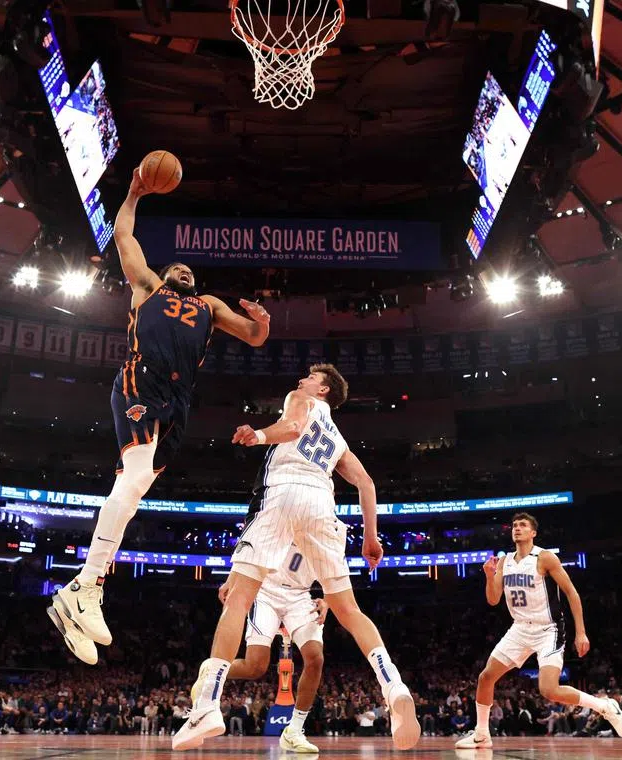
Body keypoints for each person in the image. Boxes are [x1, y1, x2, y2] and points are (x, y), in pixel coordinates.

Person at [49, 166, 272, 666]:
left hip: (178, 405)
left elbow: (255, 339)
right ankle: (84, 588)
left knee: (131, 493)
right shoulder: (148, 285)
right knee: (130, 484)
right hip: (140, 383)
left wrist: (262, 323)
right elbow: (124, 234)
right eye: (181, 269)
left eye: (192, 273)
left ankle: (83, 591)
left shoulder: (209, 306)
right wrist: (132, 192)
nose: (186, 272)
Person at [174, 365, 420, 751]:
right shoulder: (337, 436)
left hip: (283, 493)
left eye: (310, 376)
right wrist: (370, 538)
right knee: (350, 611)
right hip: (322, 505)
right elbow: (367, 484)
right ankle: (394, 686)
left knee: (237, 597)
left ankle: (206, 705)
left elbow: (291, 427)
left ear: (322, 389)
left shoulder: (300, 399)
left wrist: (257, 435)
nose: (302, 379)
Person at [454, 513, 622, 749]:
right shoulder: (505, 561)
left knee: (548, 689)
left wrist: (581, 632)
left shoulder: (545, 557)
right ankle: (482, 735)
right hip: (519, 629)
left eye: (523, 525)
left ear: (533, 532)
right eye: (514, 525)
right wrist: (489, 576)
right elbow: (493, 600)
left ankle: (605, 707)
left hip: (548, 629)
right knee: (485, 677)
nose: (517, 528)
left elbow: (571, 592)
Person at [206, 543, 329, 752]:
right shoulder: (275, 513)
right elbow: (249, 541)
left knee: (315, 658)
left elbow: (334, 573)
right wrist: (231, 578)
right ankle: (210, 671)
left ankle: (294, 731)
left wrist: (327, 600)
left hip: (300, 596)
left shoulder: (327, 527)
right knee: (255, 667)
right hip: (265, 592)